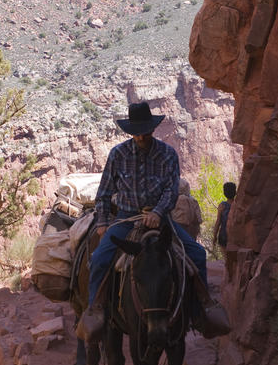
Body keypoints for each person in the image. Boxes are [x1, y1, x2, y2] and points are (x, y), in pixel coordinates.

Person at [81, 101, 210, 338]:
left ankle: (200, 310)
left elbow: (172, 191)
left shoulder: (167, 154)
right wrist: (101, 223)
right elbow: (104, 192)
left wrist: (158, 212)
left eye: (144, 131)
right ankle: (95, 310)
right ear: (130, 132)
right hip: (126, 218)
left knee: (197, 254)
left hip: (161, 220)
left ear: (152, 128)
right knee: (99, 259)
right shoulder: (117, 154)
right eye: (135, 132)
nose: (140, 136)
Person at [213, 181, 236, 280]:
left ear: (224, 193)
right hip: (235, 236)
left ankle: (228, 279)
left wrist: (214, 236)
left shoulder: (222, 205)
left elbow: (218, 222)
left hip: (223, 236)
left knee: (227, 260)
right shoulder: (238, 205)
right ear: (235, 192)